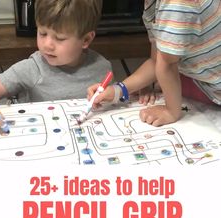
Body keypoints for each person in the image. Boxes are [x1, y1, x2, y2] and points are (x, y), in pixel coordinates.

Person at [88, 0, 221, 127]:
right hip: (200, 74)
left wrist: (171, 111)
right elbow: (157, 61)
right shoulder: (155, 4)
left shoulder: (175, 5)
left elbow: (167, 65)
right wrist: (118, 90)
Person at [0, 0, 112, 133]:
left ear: (86, 40)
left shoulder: (103, 68)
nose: (47, 45)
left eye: (59, 38)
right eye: (42, 33)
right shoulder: (34, 67)